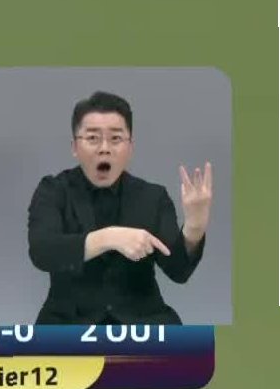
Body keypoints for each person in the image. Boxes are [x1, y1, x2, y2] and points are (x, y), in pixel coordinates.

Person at [25, 91, 213, 325]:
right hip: (67, 322)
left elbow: (178, 271)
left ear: (130, 147)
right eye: (92, 138)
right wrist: (110, 238)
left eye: (115, 138)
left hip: (144, 321)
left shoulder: (153, 197)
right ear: (74, 147)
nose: (104, 148)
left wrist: (195, 226)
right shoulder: (53, 191)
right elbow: (42, 252)